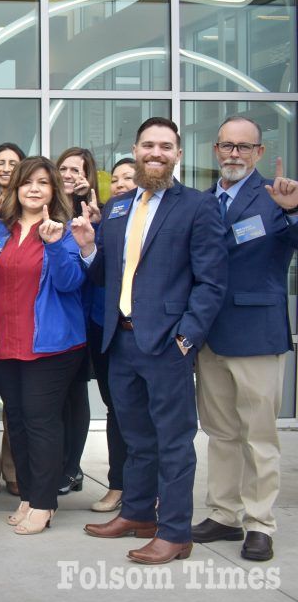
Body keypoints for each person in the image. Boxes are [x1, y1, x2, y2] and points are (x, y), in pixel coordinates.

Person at [78, 117, 227, 565]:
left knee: (173, 442)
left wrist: (186, 338)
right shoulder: (119, 205)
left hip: (167, 344)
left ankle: (176, 532)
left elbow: (212, 282)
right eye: (148, 145)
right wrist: (88, 247)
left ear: (178, 154)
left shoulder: (198, 207)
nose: (156, 153)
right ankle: (139, 513)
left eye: (165, 146)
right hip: (120, 342)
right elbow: (107, 271)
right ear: (136, 150)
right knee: (137, 438)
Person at [191, 116, 298, 562]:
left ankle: (259, 523)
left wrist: (293, 213)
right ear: (216, 150)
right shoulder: (200, 201)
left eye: (244, 147)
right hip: (208, 335)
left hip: (255, 333)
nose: (234, 153)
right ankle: (223, 514)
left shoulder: (277, 197)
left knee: (259, 435)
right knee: (220, 433)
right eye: (227, 146)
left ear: (258, 152)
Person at [0, 156, 87, 535]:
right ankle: (28, 495)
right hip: (5, 344)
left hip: (50, 347)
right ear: (15, 189)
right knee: (17, 422)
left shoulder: (65, 230)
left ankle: (44, 502)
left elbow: (72, 282)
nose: (34, 189)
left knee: (41, 422)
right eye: (27, 182)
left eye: (43, 182)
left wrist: (54, 245)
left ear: (54, 190)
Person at [87, 157, 137, 514]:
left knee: (149, 415)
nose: (120, 184)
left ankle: (151, 489)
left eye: (128, 178)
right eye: (116, 179)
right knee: (117, 409)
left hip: (151, 332)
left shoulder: (166, 217)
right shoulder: (110, 219)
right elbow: (99, 269)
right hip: (108, 330)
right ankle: (118, 484)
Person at [54, 147, 99, 497]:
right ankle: (61, 464)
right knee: (58, 399)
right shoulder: (51, 209)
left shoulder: (95, 210)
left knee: (75, 394)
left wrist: (91, 211)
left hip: (84, 316)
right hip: (55, 314)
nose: (69, 174)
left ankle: (72, 468)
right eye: (64, 168)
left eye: (77, 169)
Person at [0, 141, 26, 496]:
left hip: (19, 324)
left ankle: (12, 469)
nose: (7, 167)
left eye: (14, 162)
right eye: (1, 161)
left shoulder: (27, 206)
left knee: (14, 406)